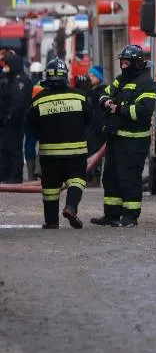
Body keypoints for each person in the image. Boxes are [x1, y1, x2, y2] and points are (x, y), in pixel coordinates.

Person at [90, 45, 156, 228]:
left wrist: (120, 109)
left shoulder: (147, 83)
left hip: (134, 141)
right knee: (110, 177)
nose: (123, 66)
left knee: (129, 178)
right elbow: (105, 93)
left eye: (127, 63)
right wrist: (106, 101)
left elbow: (143, 110)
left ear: (136, 63)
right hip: (116, 138)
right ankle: (111, 215)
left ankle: (130, 216)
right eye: (122, 62)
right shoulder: (120, 80)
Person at [25, 59, 91, 229]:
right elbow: (89, 120)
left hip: (49, 154)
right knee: (77, 180)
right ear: (65, 76)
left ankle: (51, 221)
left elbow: (30, 127)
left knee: (50, 189)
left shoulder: (38, 100)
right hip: (76, 152)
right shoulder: (79, 96)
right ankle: (71, 207)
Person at [0, 53, 32, 184]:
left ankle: (14, 176)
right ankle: (5, 175)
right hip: (5, 121)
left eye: (7, 65)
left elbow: (18, 102)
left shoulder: (21, 81)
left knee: (14, 150)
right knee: (4, 149)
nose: (4, 67)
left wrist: (8, 116)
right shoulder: (8, 78)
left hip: (14, 122)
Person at [80, 66, 107, 184]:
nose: (89, 78)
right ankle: (88, 175)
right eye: (89, 75)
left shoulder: (102, 90)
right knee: (88, 151)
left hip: (97, 128)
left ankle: (95, 176)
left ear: (98, 78)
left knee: (96, 152)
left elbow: (98, 102)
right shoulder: (89, 90)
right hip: (88, 127)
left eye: (92, 76)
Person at [23, 61, 44, 181]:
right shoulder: (45, 84)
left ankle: (31, 175)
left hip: (30, 120)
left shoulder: (28, 83)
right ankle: (39, 169)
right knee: (44, 144)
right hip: (42, 120)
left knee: (29, 145)